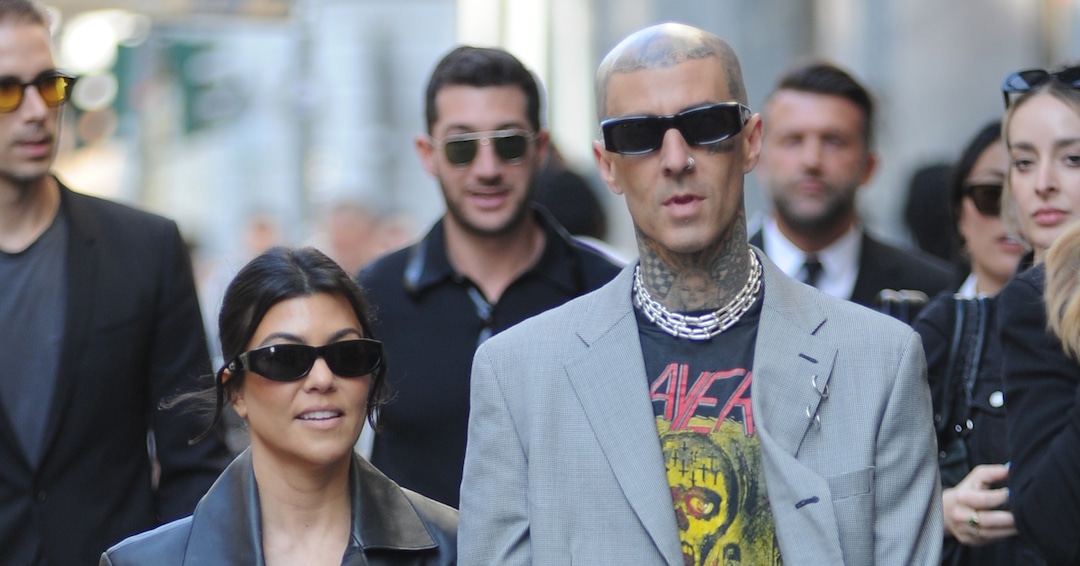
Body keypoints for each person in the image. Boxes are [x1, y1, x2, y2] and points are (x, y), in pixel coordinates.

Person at [458, 23, 941, 565]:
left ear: (751, 141)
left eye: (705, 125)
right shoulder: (518, 374)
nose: (675, 158)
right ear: (607, 164)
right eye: (638, 135)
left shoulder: (879, 359)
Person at [0, 1, 231, 563]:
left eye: (49, 85)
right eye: (6, 91)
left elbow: (195, 458)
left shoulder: (145, 249)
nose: (36, 111)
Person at [357, 46, 621, 508]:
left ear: (540, 149)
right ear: (427, 154)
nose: (487, 169)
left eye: (508, 143)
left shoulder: (609, 294)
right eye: (461, 147)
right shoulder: (373, 296)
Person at [101, 247, 458, 565]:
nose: (322, 379)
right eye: (285, 358)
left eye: (348, 354)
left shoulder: (456, 546)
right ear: (235, 392)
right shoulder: (140, 562)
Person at [912, 121, 1036, 566]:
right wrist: (939, 511)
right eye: (991, 195)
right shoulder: (938, 328)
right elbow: (868, 480)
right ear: (959, 213)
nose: (1012, 215)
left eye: (1027, 192)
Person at [751, 60, 956, 309]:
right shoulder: (711, 281)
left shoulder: (934, 293)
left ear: (868, 166)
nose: (811, 161)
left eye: (833, 141)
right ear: (759, 159)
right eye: (793, 140)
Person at [998, 64, 1080, 565]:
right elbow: (1054, 523)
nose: (1043, 184)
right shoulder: (1033, 303)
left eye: (1073, 158)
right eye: (1024, 162)